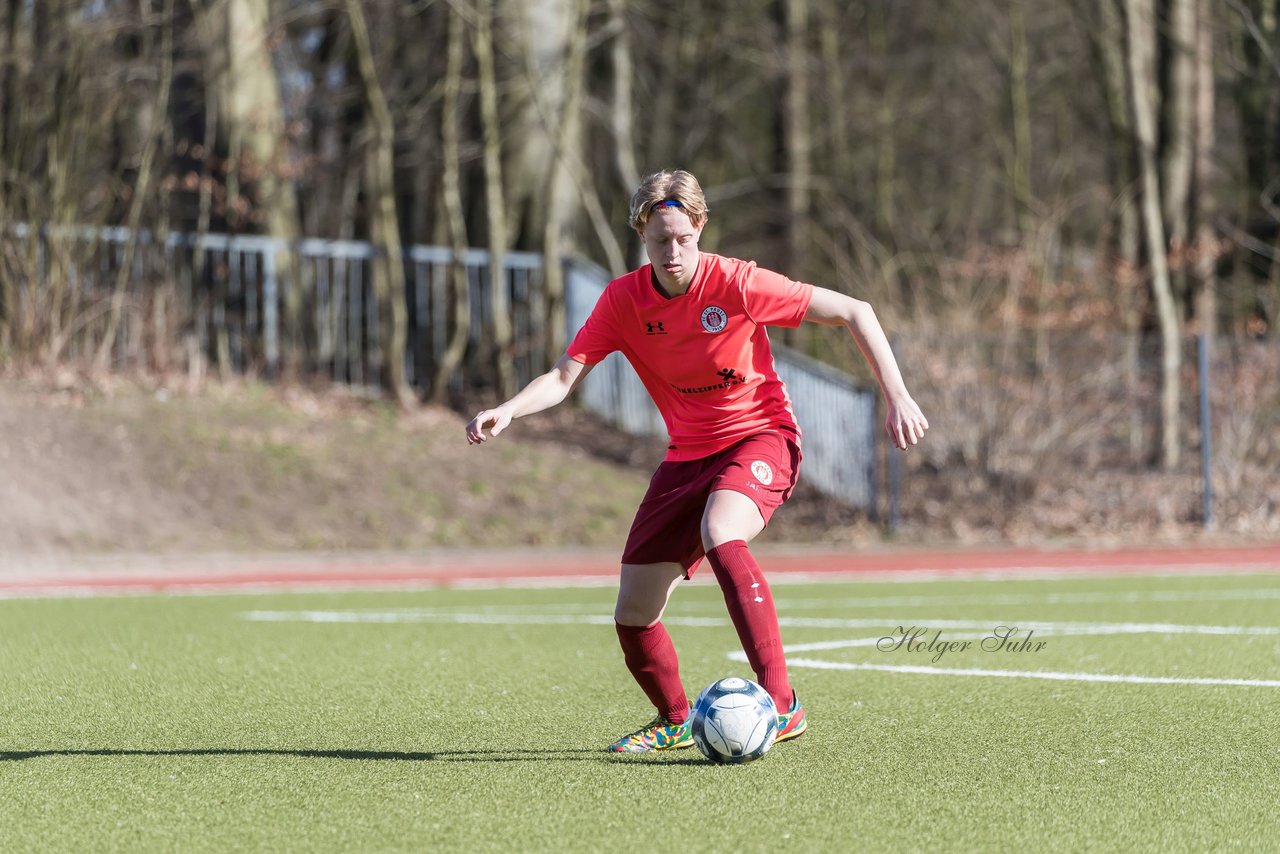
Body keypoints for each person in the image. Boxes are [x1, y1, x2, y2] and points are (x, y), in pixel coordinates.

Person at [465, 169, 928, 753]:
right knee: (633, 611)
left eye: (685, 237)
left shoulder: (736, 282)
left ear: (701, 228)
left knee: (720, 529)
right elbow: (563, 377)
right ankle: (674, 719)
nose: (674, 250)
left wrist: (898, 394)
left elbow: (855, 310)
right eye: (661, 240)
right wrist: (508, 409)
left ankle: (782, 704)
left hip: (762, 437)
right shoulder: (623, 301)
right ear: (642, 236)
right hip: (686, 459)